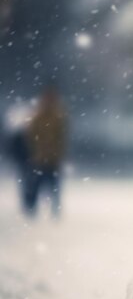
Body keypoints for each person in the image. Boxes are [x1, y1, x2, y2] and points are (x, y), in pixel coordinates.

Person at [24, 86, 67, 217]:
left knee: (53, 186)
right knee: (38, 184)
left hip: (52, 158)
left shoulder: (57, 116)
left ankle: (54, 209)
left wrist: (58, 153)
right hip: (41, 158)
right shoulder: (40, 116)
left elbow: (62, 137)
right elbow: (31, 135)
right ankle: (33, 208)